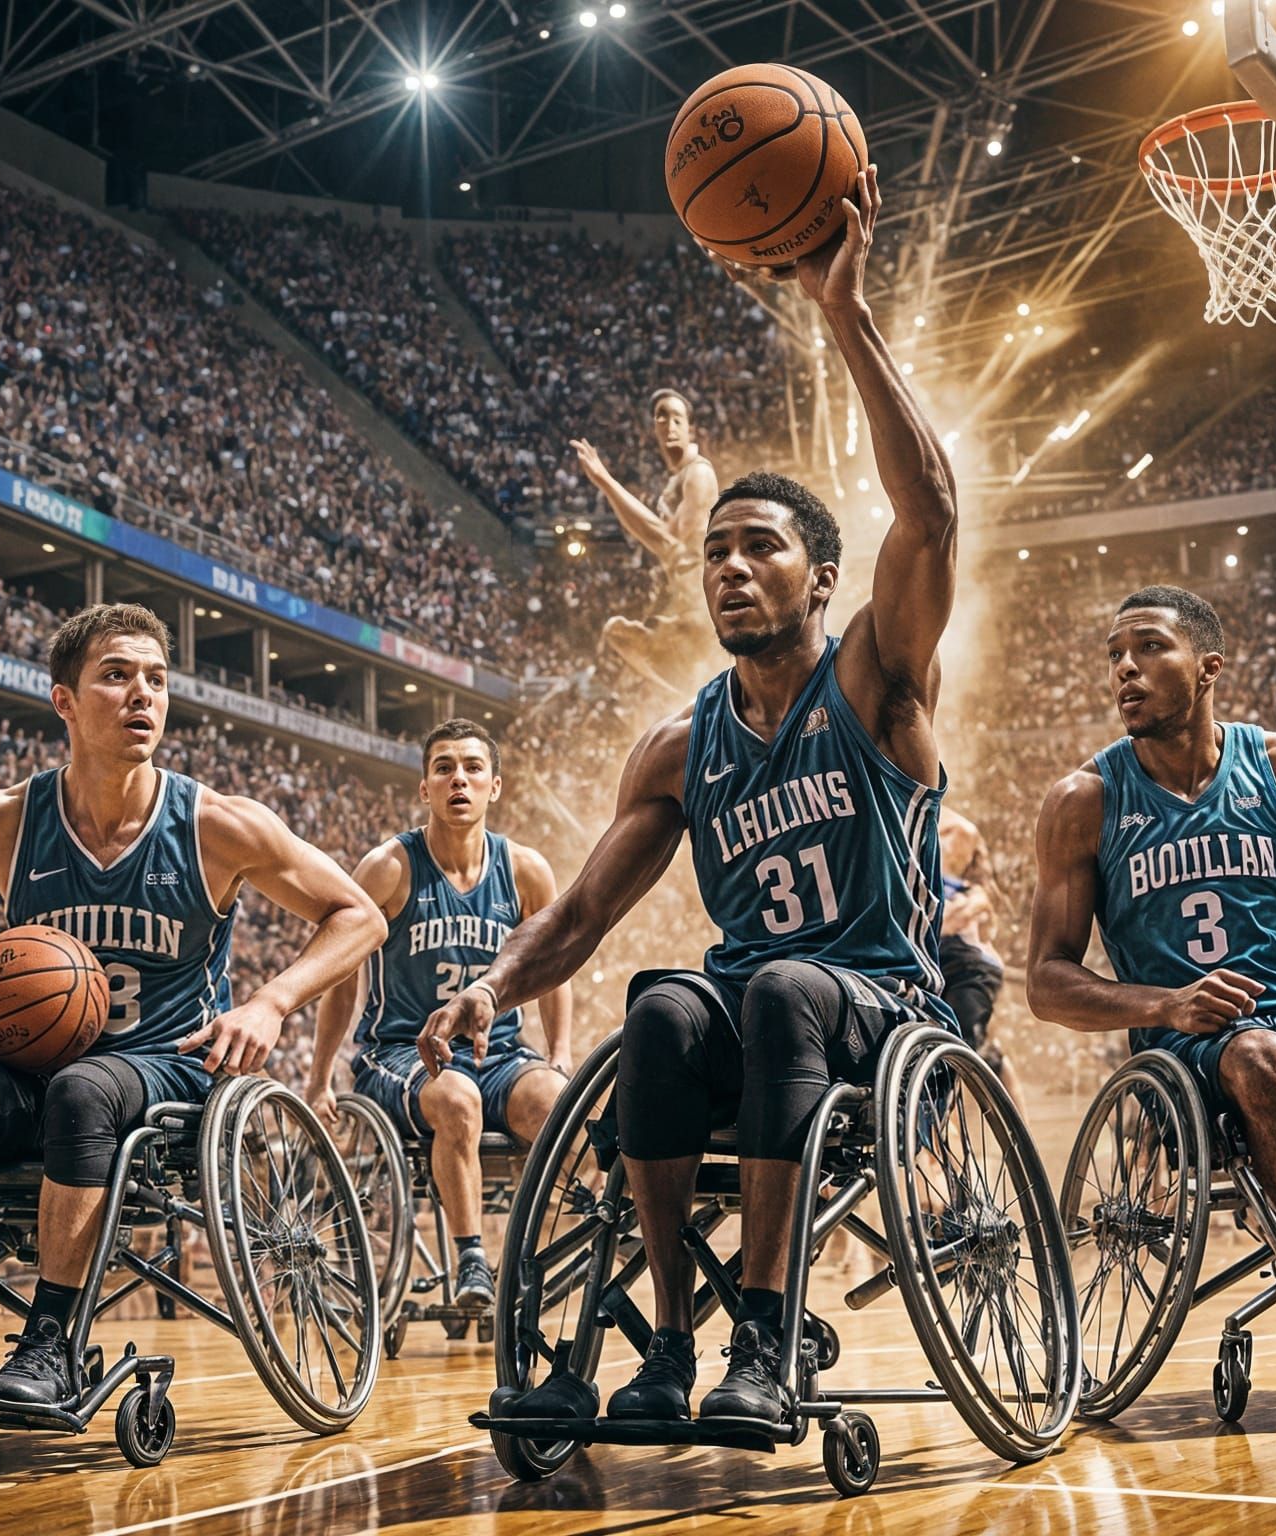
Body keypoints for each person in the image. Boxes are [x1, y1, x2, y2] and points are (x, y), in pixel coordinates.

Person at [424, 165, 960, 1424]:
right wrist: (495, 985)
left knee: (776, 984)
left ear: (822, 578)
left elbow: (930, 512)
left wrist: (845, 311)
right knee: (662, 1001)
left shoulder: (879, 677)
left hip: (883, 1007)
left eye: (759, 547)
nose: (729, 567)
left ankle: (764, 1338)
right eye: (715, 551)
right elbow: (585, 915)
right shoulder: (678, 745)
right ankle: (671, 1343)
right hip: (761, 1025)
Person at [0, 603, 387, 1407]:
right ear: (64, 702)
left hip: (167, 1069)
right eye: (116, 676)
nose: (141, 695)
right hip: (35, 1066)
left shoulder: (213, 823)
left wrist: (270, 1002)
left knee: (88, 1088)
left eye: (156, 679)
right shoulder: (3, 819)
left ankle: (51, 1343)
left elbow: (360, 914)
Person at [1027, 583, 1276, 1354]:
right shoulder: (1085, 801)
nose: (1124, 670)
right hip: (1190, 1049)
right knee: (1265, 1056)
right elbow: (1045, 981)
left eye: (1148, 648)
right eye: (1115, 656)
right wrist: (1166, 1005)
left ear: (1208, 667)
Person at [306, 719, 572, 1310]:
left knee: (562, 1105)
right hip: (400, 1053)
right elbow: (340, 973)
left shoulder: (525, 869)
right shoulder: (389, 868)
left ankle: (540, 1255)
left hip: (498, 1054)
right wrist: (320, 1077)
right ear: (424, 788)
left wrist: (559, 1054)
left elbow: (554, 967)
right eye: (444, 767)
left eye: (473, 767)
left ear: (495, 786)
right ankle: (471, 1260)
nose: (460, 778)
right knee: (457, 1099)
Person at [571, 388, 719, 695]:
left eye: (676, 417)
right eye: (661, 416)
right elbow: (657, 537)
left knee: (625, 636)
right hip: (682, 600)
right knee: (619, 635)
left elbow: (669, 542)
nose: (668, 424)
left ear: (691, 428)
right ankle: (690, 699)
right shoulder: (675, 481)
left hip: (702, 603)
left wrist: (606, 482)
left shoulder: (699, 474)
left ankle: (697, 700)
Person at [937, 806, 1020, 1102]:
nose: (945, 846)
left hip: (971, 968)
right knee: (985, 1054)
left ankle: (1018, 1138)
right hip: (942, 966)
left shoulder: (971, 893)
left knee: (964, 1053)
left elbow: (951, 922)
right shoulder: (939, 886)